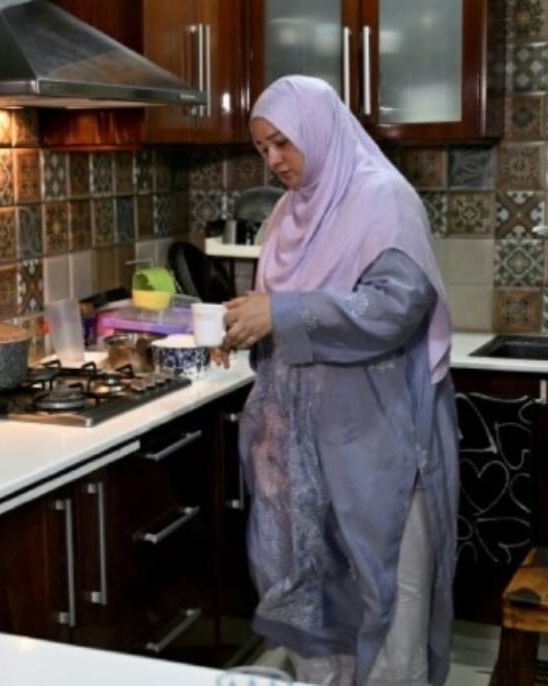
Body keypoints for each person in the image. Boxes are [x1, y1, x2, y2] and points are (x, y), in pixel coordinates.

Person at [221, 75, 458, 686]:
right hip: (301, 448)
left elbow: (397, 307)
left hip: (376, 441)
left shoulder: (384, 199)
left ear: (319, 130)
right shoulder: (285, 212)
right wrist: (251, 327)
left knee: (387, 589)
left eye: (283, 143)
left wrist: (283, 313)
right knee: (314, 590)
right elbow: (280, 305)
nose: (274, 160)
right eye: (262, 148)